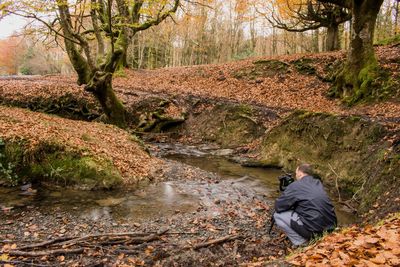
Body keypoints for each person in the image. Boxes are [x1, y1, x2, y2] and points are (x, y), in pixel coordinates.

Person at [273, 164, 337, 246]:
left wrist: (289, 197)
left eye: (296, 173)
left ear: (300, 173)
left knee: (278, 215)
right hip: (330, 228)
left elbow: (278, 207)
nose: (295, 176)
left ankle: (301, 243)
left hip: (315, 231)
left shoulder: (296, 185)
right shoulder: (318, 183)